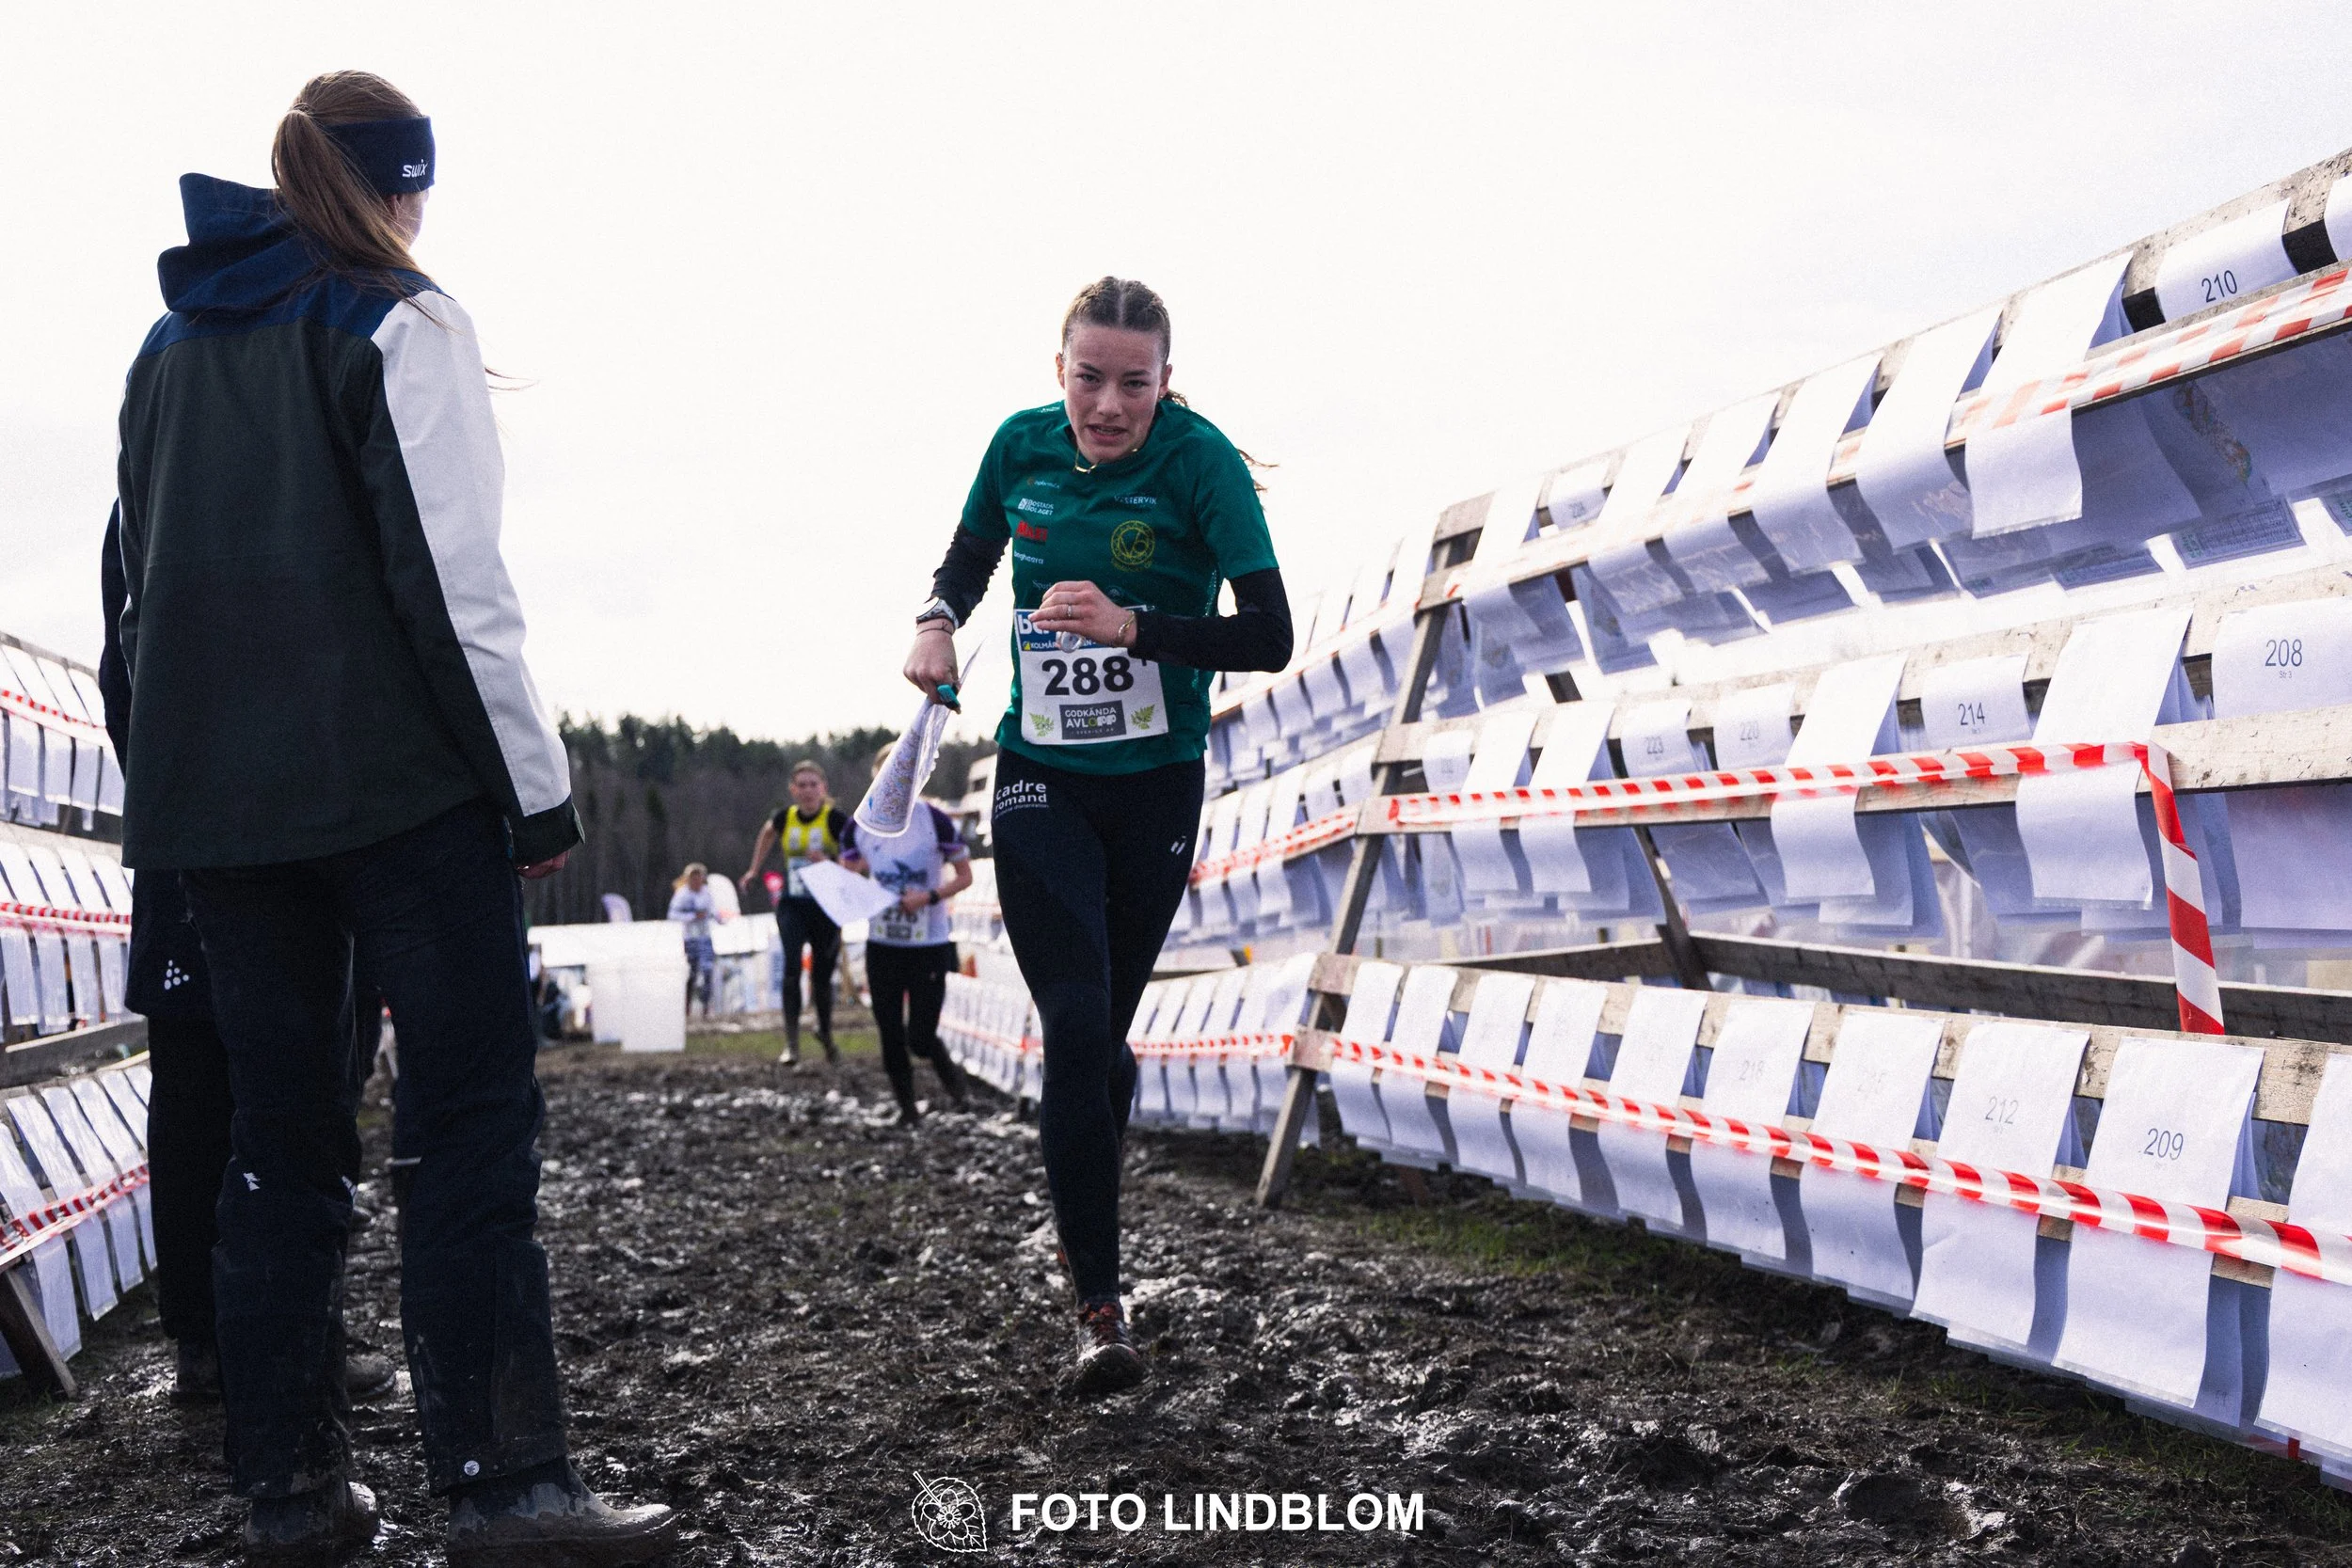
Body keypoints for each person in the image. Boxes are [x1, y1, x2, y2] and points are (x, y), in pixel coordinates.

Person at [111, 71, 673, 1564]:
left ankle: (291, 1494)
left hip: (218, 818)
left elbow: (129, 596)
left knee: (275, 1142)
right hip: (396, 798)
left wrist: (168, 786)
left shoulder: (166, 348)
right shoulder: (401, 322)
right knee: (471, 1121)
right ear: (394, 187)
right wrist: (536, 792)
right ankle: (506, 1485)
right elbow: (457, 588)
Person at [901, 277, 1292, 1396]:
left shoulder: (1198, 464)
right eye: (1089, 377)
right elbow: (967, 559)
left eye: (1134, 381)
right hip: (1037, 776)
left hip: (1154, 787)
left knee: (1098, 1039)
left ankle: (1088, 1138)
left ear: (1167, 380)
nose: (1108, 404)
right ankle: (1100, 1310)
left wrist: (1132, 627)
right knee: (1073, 1020)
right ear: (1057, 369)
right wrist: (937, 618)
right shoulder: (1019, 448)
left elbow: (1266, 634)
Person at [98, 514, 397, 1412]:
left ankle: (290, 1326)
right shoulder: (159, 472)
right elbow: (128, 664)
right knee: (214, 1090)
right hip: (220, 834)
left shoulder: (287, 445)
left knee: (301, 1084)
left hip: (279, 829)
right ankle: (219, 1338)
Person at [839, 744, 974, 1125]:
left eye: (904, 777)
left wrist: (927, 896)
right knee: (889, 1031)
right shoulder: (859, 825)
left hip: (928, 943)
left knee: (920, 1036)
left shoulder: (935, 820)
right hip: (883, 944)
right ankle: (907, 1111)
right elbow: (847, 875)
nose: (896, 786)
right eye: (887, 779)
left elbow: (966, 876)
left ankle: (956, 1086)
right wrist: (856, 892)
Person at [739, 761, 849, 1067]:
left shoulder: (835, 819)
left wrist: (830, 859)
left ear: (823, 788)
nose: (808, 791)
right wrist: (753, 869)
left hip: (826, 907)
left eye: (813, 784)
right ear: (793, 790)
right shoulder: (785, 818)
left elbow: (857, 856)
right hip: (793, 904)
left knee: (822, 975)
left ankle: (825, 1032)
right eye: (802, 785)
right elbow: (766, 834)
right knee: (791, 968)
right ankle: (792, 1044)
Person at [665, 863, 719, 1016]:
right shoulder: (682, 895)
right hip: (690, 939)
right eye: (693, 878)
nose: (696, 881)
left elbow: (713, 911)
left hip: (706, 937)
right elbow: (672, 915)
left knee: (708, 970)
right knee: (691, 973)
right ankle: (686, 1009)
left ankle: (706, 1009)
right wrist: (692, 916)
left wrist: (719, 917)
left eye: (699, 877)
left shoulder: (707, 893)